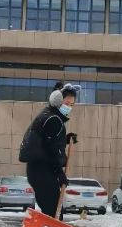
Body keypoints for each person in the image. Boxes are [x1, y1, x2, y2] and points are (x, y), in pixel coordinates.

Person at [19, 82, 80, 219]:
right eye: (66, 103)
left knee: (50, 212)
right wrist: (60, 174)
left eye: (71, 105)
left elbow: (46, 142)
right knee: (54, 213)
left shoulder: (48, 115)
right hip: (43, 172)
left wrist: (64, 139)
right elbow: (53, 151)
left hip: (37, 170)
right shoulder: (54, 119)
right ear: (57, 100)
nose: (68, 107)